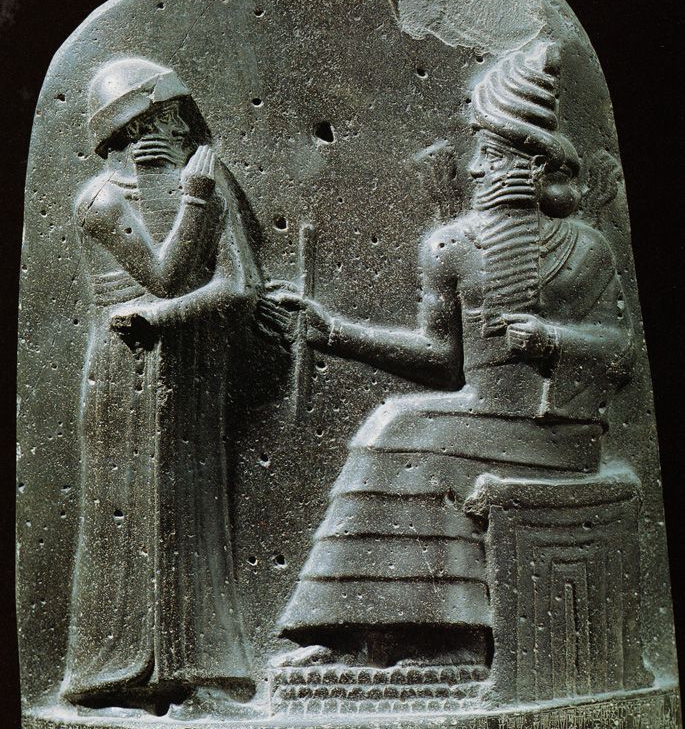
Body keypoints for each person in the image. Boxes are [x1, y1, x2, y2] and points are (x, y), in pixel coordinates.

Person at [264, 42, 633, 669]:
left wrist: (551, 340)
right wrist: (334, 333)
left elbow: (620, 355)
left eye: (491, 155)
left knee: (407, 431)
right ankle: (358, 632)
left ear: (533, 166)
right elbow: (441, 358)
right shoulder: (451, 246)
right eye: (478, 154)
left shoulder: (584, 248)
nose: (476, 169)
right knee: (398, 424)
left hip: (554, 430)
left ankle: (448, 637)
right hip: (481, 413)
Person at [63, 58, 261, 716]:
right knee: (127, 515)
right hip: (126, 365)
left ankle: (200, 668)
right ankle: (113, 671)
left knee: (192, 514)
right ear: (120, 132)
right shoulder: (101, 199)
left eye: (173, 116)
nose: (170, 131)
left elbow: (240, 285)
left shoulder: (206, 179)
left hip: (192, 361)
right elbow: (165, 276)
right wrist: (194, 199)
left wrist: (167, 318)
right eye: (151, 120)